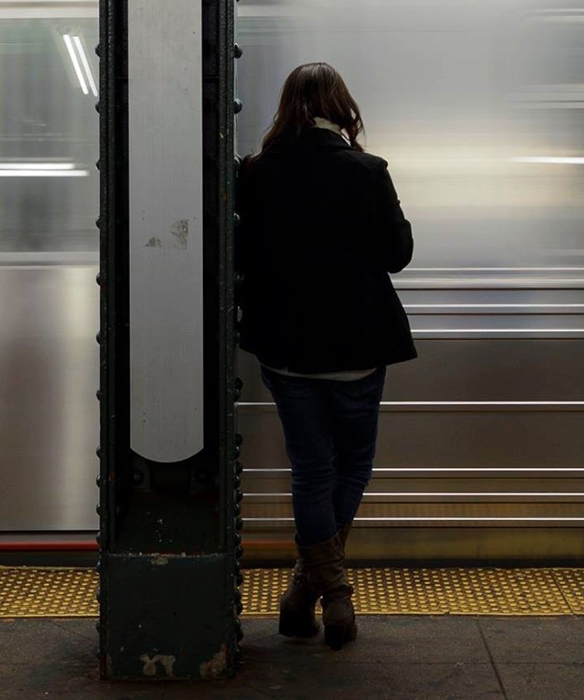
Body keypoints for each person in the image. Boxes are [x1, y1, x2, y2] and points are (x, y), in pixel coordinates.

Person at [236, 62, 415, 650]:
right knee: (352, 464)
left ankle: (309, 591)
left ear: (287, 106)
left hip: (286, 349)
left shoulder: (256, 175)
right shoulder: (367, 171)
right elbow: (397, 254)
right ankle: (330, 593)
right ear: (341, 105)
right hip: (358, 348)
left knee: (311, 470)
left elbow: (242, 258)